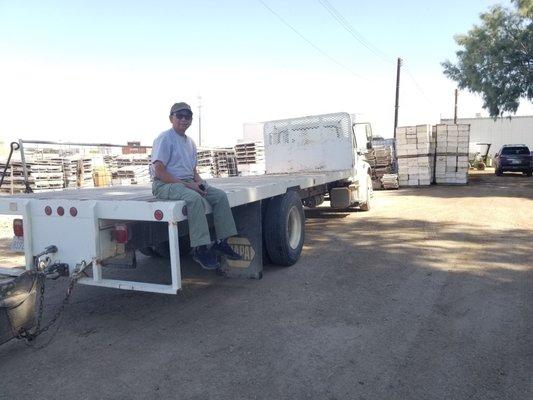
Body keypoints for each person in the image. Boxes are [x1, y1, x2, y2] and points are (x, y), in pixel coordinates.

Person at [150, 102, 241, 270]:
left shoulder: (190, 143)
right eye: (180, 115)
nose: (184, 119)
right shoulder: (165, 138)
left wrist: (200, 184)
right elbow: (159, 172)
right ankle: (200, 249)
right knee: (194, 199)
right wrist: (189, 186)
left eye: (188, 116)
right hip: (164, 184)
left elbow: (193, 171)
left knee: (219, 196)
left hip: (186, 182)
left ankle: (221, 241)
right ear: (171, 118)